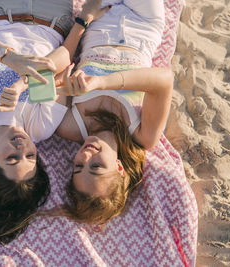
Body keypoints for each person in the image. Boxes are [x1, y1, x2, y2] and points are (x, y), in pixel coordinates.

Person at [0, 0, 108, 244]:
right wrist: (83, 20)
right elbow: (63, 61)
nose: (22, 148)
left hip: (2, 12)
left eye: (12, 158)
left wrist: (12, 59)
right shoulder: (41, 126)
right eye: (31, 157)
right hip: (54, 19)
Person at [52, 0, 173, 226]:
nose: (85, 156)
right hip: (143, 27)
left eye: (78, 166)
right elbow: (164, 80)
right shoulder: (142, 134)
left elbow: (58, 73)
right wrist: (101, 83)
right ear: (119, 168)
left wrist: (84, 20)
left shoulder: (69, 125)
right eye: (96, 167)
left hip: (98, 25)